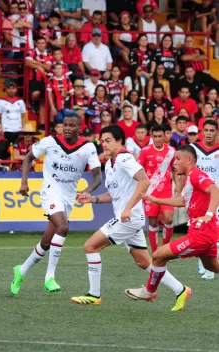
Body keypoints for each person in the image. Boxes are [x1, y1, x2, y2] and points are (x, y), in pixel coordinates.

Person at [71, 125, 186, 307]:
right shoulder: (109, 164)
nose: (104, 144)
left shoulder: (125, 158)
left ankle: (94, 295)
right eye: (102, 141)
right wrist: (91, 198)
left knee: (90, 246)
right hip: (128, 219)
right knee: (143, 261)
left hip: (129, 218)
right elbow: (112, 195)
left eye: (108, 140)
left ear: (120, 141)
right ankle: (180, 289)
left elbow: (145, 181)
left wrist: (128, 208)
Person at [11, 114, 102, 294]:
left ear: (79, 128)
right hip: (50, 191)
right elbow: (28, 158)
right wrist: (24, 182)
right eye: (64, 125)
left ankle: (20, 271)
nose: (67, 128)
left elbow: (98, 177)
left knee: (46, 243)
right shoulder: (49, 141)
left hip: (68, 197)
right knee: (63, 227)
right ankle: (50, 277)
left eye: (71, 126)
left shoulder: (88, 147)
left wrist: (87, 191)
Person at [126, 145, 219, 311]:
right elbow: (182, 202)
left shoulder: (196, 174)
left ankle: (149, 291)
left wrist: (209, 214)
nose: (174, 163)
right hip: (207, 232)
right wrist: (156, 199)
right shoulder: (190, 178)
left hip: (201, 234)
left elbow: (215, 190)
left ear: (189, 160)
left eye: (178, 159)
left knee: (158, 255)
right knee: (211, 266)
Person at [138, 125, 176, 253]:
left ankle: (165, 248)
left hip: (166, 191)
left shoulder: (171, 151)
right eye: (155, 136)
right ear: (151, 136)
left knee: (169, 219)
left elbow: (176, 170)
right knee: (153, 223)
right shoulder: (145, 151)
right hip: (150, 191)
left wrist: (179, 188)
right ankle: (155, 252)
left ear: (165, 136)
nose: (158, 139)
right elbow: (139, 169)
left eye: (160, 136)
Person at [191, 119, 219, 280]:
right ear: (202, 132)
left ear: (216, 132)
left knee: (214, 232)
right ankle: (203, 262)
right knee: (199, 232)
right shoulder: (194, 149)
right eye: (206, 130)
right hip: (198, 198)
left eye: (212, 130)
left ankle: (210, 267)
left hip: (216, 197)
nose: (208, 133)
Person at [25, 36, 53, 131]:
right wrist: (41, 66)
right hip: (33, 79)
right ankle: (33, 102)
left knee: (43, 101)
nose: (41, 45)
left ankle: (42, 125)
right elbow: (27, 63)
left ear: (45, 44)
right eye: (39, 43)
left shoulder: (48, 53)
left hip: (44, 80)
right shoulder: (31, 51)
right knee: (35, 94)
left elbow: (48, 67)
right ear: (36, 43)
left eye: (43, 43)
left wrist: (36, 64)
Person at [0, 80, 26, 145]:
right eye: (9, 88)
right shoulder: (1, 101)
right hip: (6, 130)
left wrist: (23, 129)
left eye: (13, 88)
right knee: (5, 150)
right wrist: (1, 129)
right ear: (6, 89)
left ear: (16, 90)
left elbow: (23, 116)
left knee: (17, 149)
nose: (11, 90)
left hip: (18, 130)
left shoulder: (20, 101)